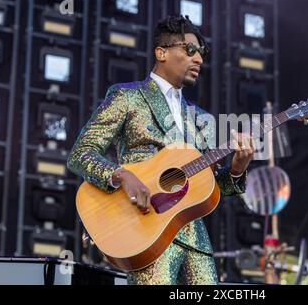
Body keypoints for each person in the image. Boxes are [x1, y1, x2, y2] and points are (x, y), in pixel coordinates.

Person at [67, 15, 255, 285]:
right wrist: (122, 176)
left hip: (196, 242)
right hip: (145, 229)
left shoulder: (200, 118)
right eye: (190, 50)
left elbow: (210, 187)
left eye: (201, 53)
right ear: (162, 52)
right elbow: (81, 153)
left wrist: (237, 169)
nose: (199, 59)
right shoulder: (127, 96)